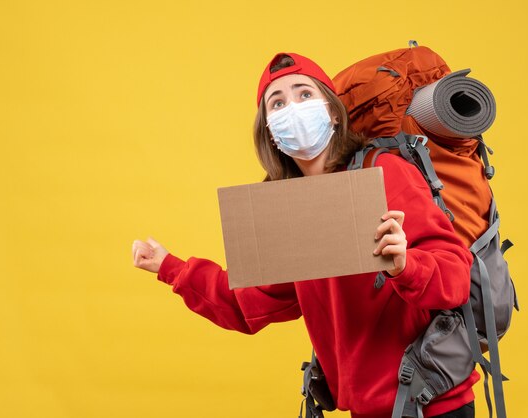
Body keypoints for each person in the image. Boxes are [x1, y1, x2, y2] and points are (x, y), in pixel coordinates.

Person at [132, 52, 478, 418]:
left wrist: (406, 266)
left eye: (304, 94)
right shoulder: (288, 210)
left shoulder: (383, 173)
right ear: (268, 128)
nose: (293, 109)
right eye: (277, 103)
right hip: (365, 411)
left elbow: (455, 280)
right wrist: (168, 267)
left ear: (332, 111)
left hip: (432, 405)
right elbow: (248, 304)